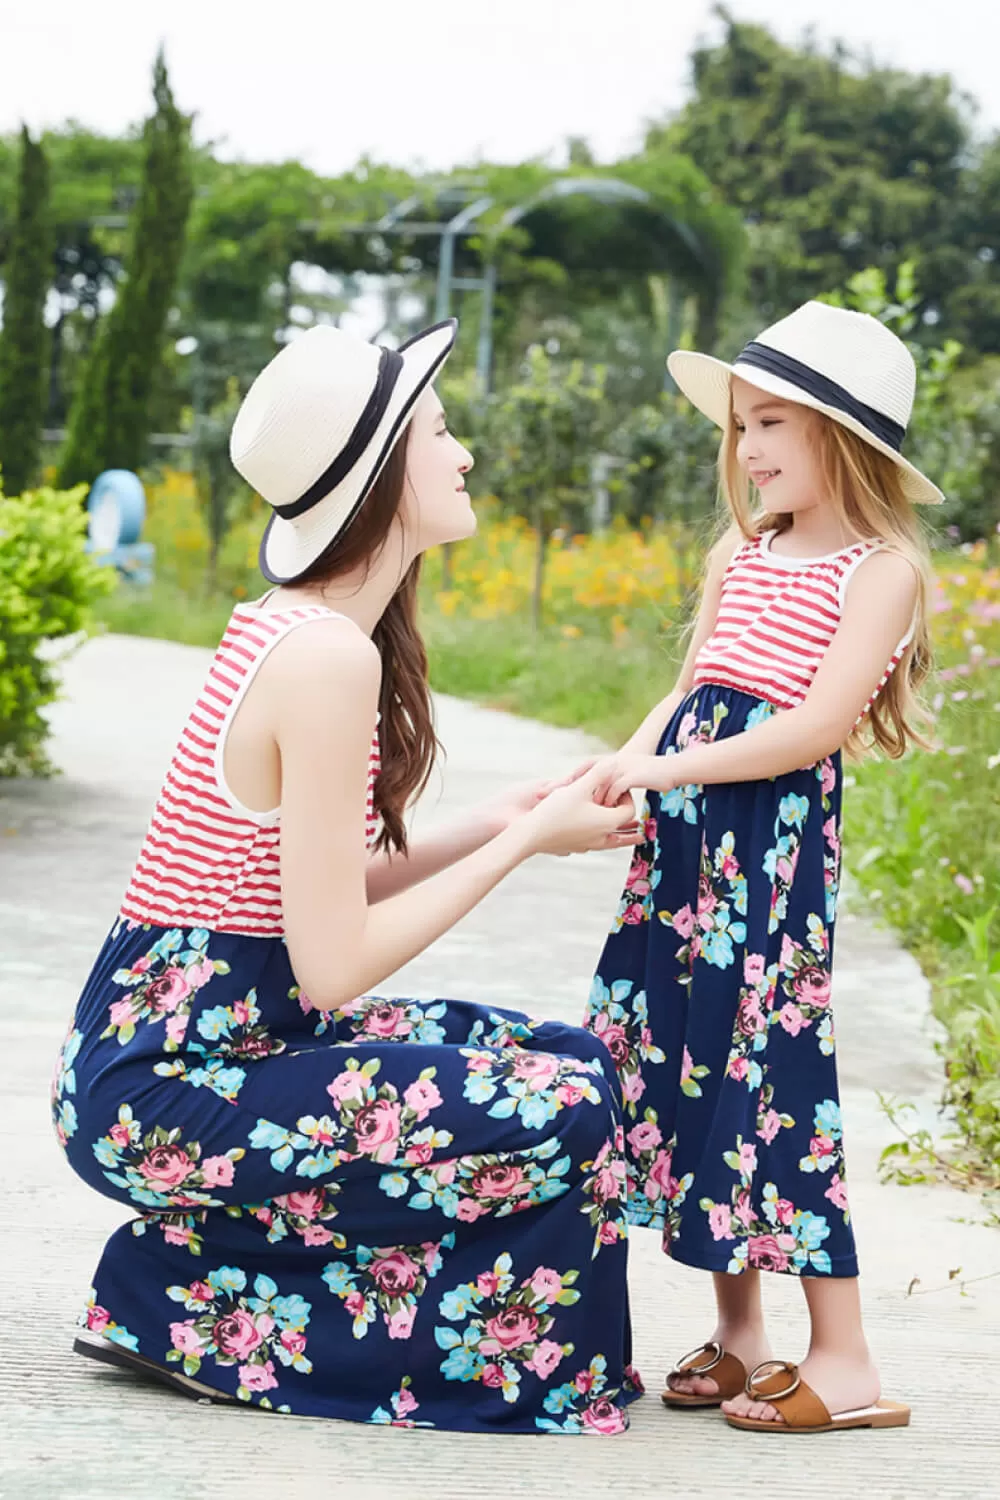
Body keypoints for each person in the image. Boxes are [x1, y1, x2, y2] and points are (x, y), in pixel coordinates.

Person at [52, 317, 645, 1435]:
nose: (463, 450)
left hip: (209, 1051)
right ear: (380, 476)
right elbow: (329, 968)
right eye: (437, 429)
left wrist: (495, 820)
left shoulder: (308, 631)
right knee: (556, 1108)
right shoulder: (323, 657)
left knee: (566, 1057)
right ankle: (185, 1297)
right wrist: (528, 847)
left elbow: (307, 891)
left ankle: (185, 1282)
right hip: (168, 1089)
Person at [581, 301, 935, 1435]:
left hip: (766, 861)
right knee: (690, 1070)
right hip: (686, 859)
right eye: (740, 427)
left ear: (846, 437)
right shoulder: (745, 551)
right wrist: (632, 760)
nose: (749, 448)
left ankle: (847, 1357)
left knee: (770, 1081)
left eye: (771, 422)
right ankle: (741, 1334)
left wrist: (676, 772)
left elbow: (812, 729)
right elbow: (696, 686)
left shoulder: (879, 572)